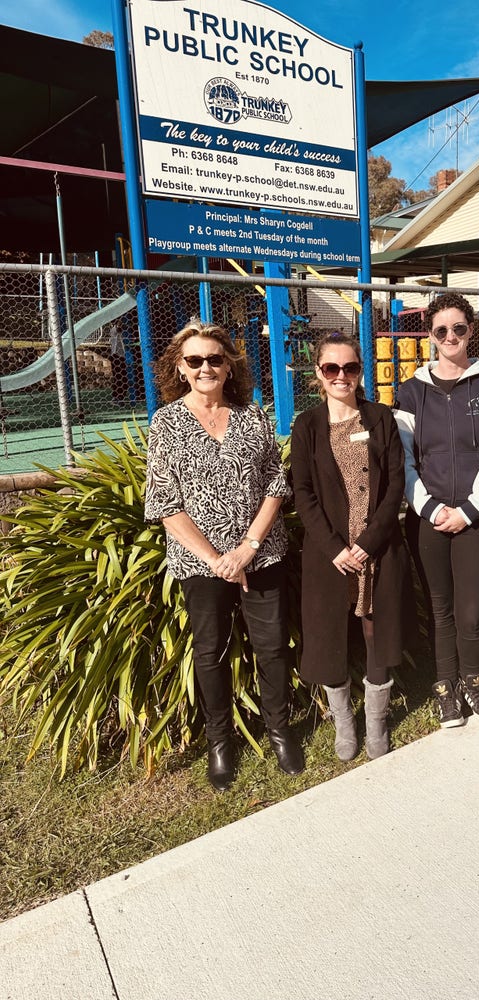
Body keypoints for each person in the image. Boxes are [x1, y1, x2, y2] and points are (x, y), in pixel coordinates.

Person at [145, 318, 304, 791]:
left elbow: (276, 482)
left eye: (215, 359)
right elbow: (163, 501)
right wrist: (217, 558)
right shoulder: (167, 422)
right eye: (194, 360)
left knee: (271, 646)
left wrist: (249, 546)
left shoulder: (252, 415)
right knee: (210, 651)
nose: (205, 367)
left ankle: (279, 730)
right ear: (180, 366)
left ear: (229, 365)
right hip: (202, 563)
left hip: (262, 554)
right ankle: (220, 743)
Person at [394, 292, 479, 727]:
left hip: (476, 520)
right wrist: (428, 508)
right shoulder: (410, 392)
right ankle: (445, 688)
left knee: (471, 611)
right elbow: (405, 461)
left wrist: (466, 510)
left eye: (458, 328)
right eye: (441, 330)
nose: (450, 337)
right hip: (427, 520)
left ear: (471, 330)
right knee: (440, 608)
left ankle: (474, 682)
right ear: (430, 334)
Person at [290, 332, 413, 760]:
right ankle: (344, 721)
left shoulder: (380, 418)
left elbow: (395, 482)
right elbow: (302, 492)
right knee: (329, 634)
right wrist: (335, 548)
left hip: (377, 549)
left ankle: (376, 721)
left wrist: (368, 541)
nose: (341, 376)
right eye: (331, 368)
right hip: (331, 555)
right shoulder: (306, 426)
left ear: (361, 372)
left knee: (375, 629)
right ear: (319, 375)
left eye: (350, 368)